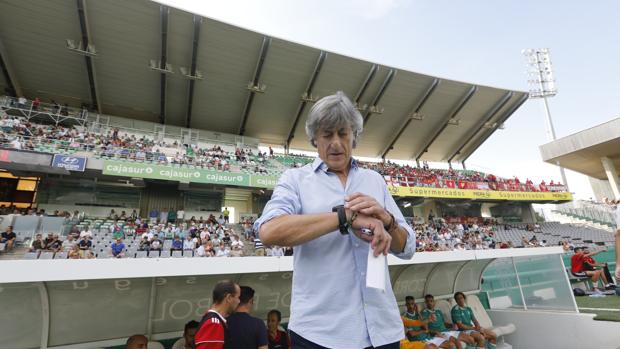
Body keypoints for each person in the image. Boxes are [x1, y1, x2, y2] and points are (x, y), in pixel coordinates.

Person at [254, 92, 415, 348]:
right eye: (327, 135)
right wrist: (345, 217)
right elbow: (269, 232)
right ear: (315, 140)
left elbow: (407, 248)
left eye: (343, 133)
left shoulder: (374, 180)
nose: (336, 143)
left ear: (354, 136)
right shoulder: (295, 179)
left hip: (382, 330)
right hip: (320, 334)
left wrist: (386, 220)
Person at [194, 280, 241, 349]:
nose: (239, 301)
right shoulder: (214, 323)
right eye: (238, 297)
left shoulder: (214, 320)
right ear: (229, 298)